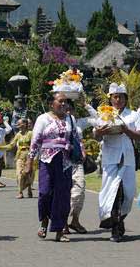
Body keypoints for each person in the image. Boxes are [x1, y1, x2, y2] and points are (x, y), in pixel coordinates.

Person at [94, 83, 140, 242]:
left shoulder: (133, 115)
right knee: (113, 193)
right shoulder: (104, 114)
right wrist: (100, 132)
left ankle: (119, 220)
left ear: (125, 99)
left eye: (121, 97)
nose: (118, 100)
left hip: (128, 159)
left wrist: (126, 130)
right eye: (115, 97)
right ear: (110, 99)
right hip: (110, 159)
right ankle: (115, 228)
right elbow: (96, 136)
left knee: (128, 194)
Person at [26, 92, 79, 242]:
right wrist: (30, 161)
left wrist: (81, 151)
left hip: (65, 163)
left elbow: (75, 137)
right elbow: (36, 140)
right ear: (51, 104)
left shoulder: (71, 119)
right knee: (45, 192)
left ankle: (59, 230)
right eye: (60, 101)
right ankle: (44, 220)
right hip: (47, 160)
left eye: (66, 102)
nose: (64, 104)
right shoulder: (43, 119)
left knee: (62, 196)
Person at [63, 99, 89, 235]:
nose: (67, 112)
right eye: (64, 109)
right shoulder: (55, 121)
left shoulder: (77, 122)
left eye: (69, 109)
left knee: (80, 190)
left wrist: (85, 103)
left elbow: (96, 118)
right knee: (64, 192)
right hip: (62, 161)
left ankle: (75, 220)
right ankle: (63, 223)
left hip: (76, 160)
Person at [7, 118, 35, 198]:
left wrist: (32, 156)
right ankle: (20, 192)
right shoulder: (18, 134)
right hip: (19, 156)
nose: (17, 125)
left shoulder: (30, 133)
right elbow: (11, 145)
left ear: (25, 124)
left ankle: (29, 187)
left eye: (19, 123)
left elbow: (34, 145)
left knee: (28, 174)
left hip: (29, 156)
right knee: (19, 174)